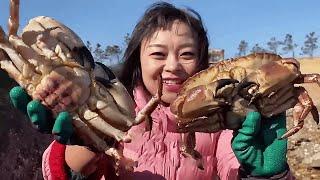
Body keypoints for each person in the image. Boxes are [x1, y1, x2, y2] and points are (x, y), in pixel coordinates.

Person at [8, 2, 293, 180]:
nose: (173, 66)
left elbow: (233, 168)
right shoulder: (114, 110)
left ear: (203, 64)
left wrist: (267, 176)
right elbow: (68, 174)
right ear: (137, 60)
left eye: (187, 54)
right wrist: (85, 144)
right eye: (158, 54)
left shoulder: (222, 125)